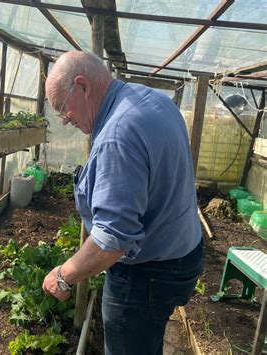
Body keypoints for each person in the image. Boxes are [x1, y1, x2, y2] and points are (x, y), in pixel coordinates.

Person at [42, 51, 203, 355]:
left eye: (63, 108)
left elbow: (112, 240)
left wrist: (64, 274)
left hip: (147, 276)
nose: (64, 120)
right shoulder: (152, 99)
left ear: (83, 86)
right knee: (148, 340)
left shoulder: (118, 136)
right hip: (182, 253)